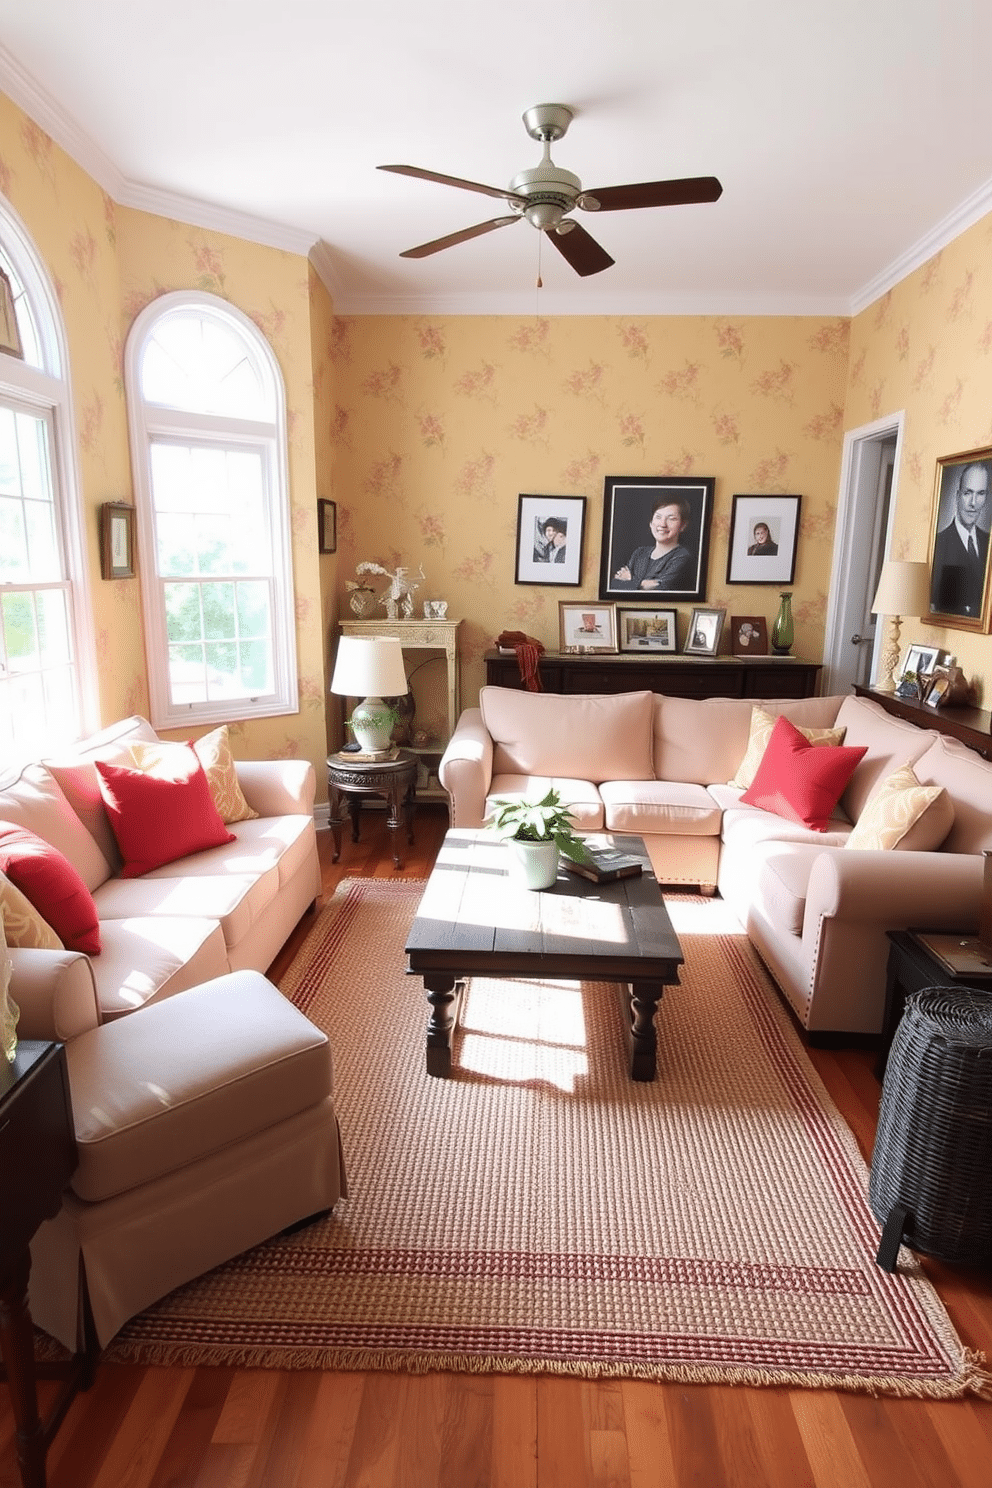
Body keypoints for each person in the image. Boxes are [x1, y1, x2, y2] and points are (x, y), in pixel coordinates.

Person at [930, 461, 991, 618]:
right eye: (967, 493)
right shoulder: (939, 543)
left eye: (980, 494)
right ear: (958, 496)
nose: (973, 503)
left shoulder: (988, 542)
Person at [612, 498, 695, 590]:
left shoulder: (683, 557)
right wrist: (643, 584)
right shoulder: (639, 553)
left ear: (683, 526)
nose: (663, 524)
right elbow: (615, 585)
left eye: (671, 519)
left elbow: (660, 589)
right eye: (658, 517)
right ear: (651, 523)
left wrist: (630, 578)